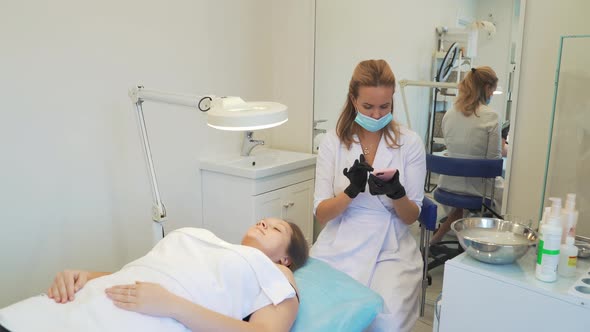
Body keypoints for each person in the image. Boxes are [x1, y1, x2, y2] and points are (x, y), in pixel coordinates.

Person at [0, 218, 309, 332]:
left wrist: (172, 305)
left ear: (286, 257)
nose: (264, 224)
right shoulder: (215, 244)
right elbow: (151, 274)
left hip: (139, 320)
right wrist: (87, 276)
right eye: (263, 220)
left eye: (277, 227)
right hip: (79, 302)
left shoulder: (277, 272)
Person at [311, 59, 426, 332]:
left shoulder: (409, 143)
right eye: (368, 107)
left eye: (384, 107)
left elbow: (412, 216)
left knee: (387, 320)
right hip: (340, 239)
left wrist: (397, 193)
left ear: (392, 102)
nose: (376, 115)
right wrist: (350, 192)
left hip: (391, 246)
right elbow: (321, 213)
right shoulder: (333, 142)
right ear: (353, 100)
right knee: (321, 311)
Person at [429, 66, 502, 244]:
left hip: (447, 185)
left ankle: (441, 236)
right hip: (478, 190)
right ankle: (484, 244)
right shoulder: (491, 116)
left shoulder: (449, 113)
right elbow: (493, 162)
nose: (492, 94)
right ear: (486, 87)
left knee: (466, 195)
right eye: (492, 89)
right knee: (508, 189)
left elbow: (453, 147)